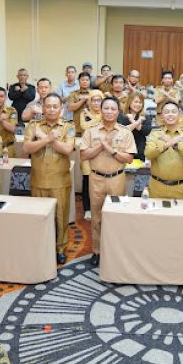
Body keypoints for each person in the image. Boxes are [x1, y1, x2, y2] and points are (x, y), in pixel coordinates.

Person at [80, 97, 136, 266]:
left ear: (118, 112)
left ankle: (114, 251)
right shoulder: (91, 131)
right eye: (106, 108)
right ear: (100, 110)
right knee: (96, 217)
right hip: (96, 178)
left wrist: (111, 150)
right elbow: (83, 155)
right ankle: (96, 251)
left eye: (113, 109)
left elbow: (129, 159)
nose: (109, 111)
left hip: (117, 178)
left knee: (116, 216)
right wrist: (101, 146)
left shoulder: (125, 132)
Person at [23, 93, 76, 264]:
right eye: (48, 106)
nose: (51, 109)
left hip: (60, 181)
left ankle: (60, 248)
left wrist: (48, 139)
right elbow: (26, 149)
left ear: (61, 110)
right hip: (38, 179)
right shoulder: (33, 125)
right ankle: (41, 246)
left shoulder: (68, 126)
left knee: (60, 216)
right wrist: (48, 139)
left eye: (55, 106)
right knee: (39, 216)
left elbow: (67, 149)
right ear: (43, 108)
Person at [145, 101, 183, 199]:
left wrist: (177, 146)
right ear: (161, 116)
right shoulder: (155, 134)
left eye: (174, 111)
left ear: (180, 116)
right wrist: (166, 145)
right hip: (157, 187)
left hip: (179, 188)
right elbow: (148, 154)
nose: (170, 114)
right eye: (167, 112)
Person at [79, 90, 104, 221]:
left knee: (101, 180)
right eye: (93, 100)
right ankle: (87, 208)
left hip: (102, 150)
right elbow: (85, 126)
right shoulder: (84, 113)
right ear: (89, 101)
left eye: (99, 100)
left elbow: (103, 124)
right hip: (87, 149)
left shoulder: (106, 111)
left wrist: (94, 118)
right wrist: (96, 119)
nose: (96, 103)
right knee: (87, 180)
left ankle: (100, 207)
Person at [118, 93, 151, 162]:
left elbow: (146, 131)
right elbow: (123, 132)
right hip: (124, 150)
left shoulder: (145, 116)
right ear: (130, 102)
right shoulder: (122, 116)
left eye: (140, 102)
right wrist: (137, 121)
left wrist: (133, 121)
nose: (138, 104)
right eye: (135, 102)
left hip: (140, 150)